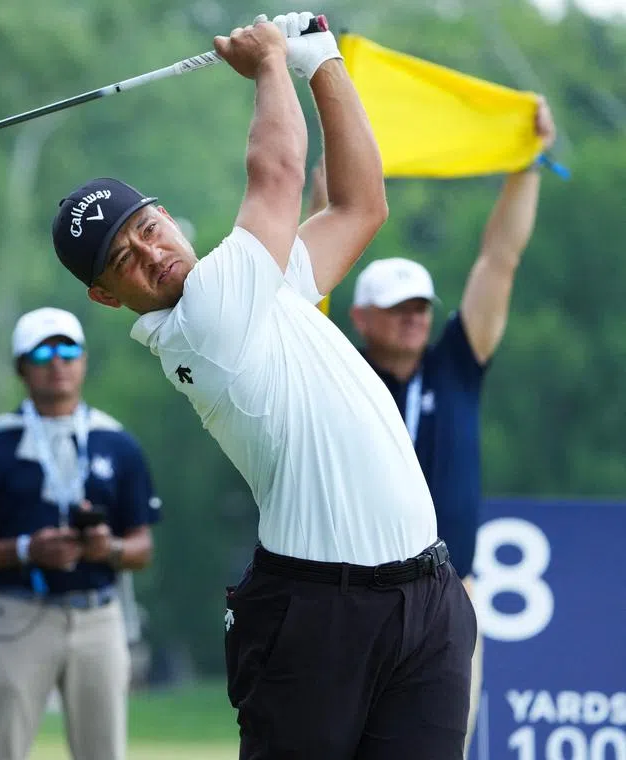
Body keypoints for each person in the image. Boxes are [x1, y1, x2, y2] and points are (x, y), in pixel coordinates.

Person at [49, 13, 476, 759]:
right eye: (123, 260)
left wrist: (322, 61)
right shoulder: (204, 321)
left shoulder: (256, 287)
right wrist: (272, 62)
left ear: (165, 216)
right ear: (107, 297)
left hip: (426, 599)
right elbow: (277, 174)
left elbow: (359, 206)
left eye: (148, 227)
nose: (151, 253)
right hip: (319, 612)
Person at [337, 95, 557, 757]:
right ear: (361, 317)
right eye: (396, 307)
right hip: (355, 589)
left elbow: (499, 259)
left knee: (439, 744)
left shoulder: (456, 366)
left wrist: (527, 165)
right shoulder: (339, 374)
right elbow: (306, 279)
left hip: (450, 590)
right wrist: (326, 186)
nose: (413, 317)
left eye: (420, 306)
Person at [0, 307, 161, 760]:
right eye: (43, 353)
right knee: (2, 748)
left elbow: (143, 546)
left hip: (98, 613)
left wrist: (108, 547)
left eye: (68, 350)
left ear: (83, 359)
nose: (58, 363)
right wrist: (27, 549)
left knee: (104, 751)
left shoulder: (116, 442)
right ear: (21, 367)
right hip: (19, 611)